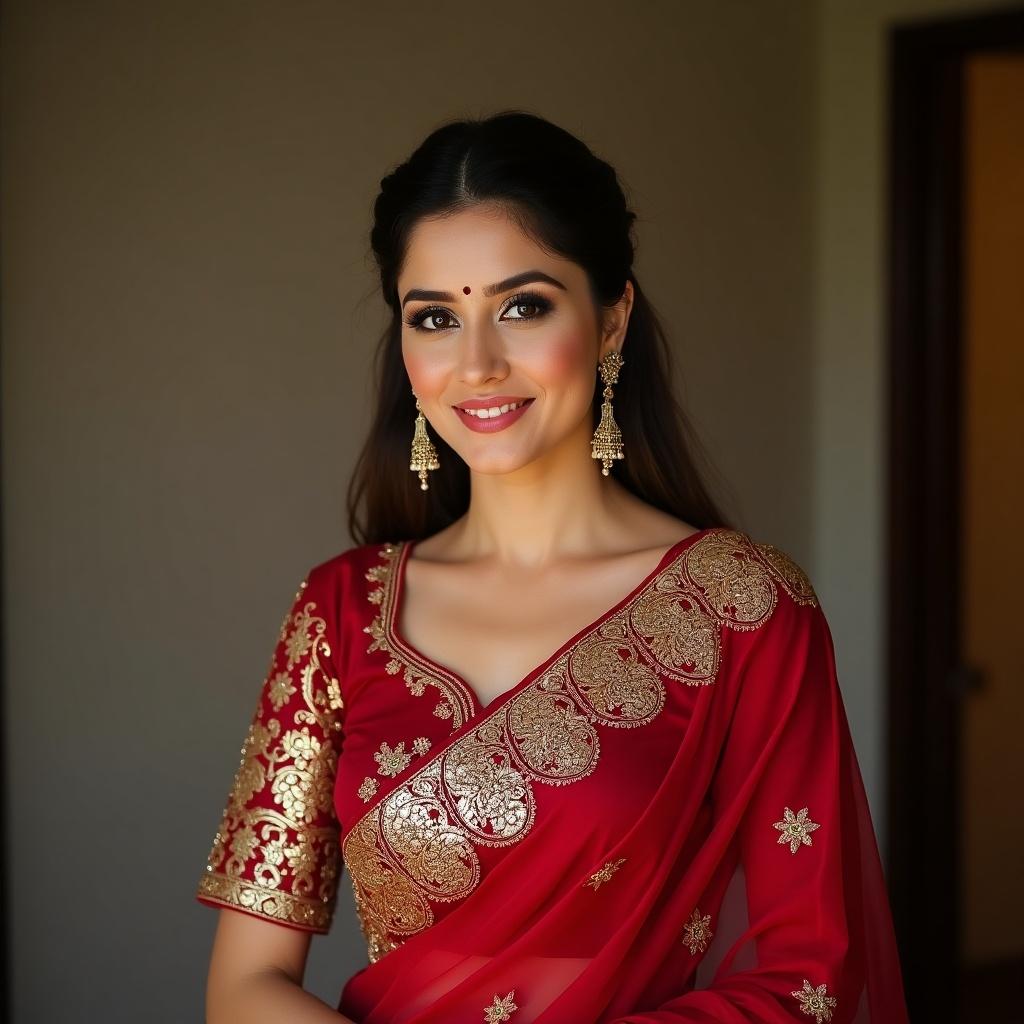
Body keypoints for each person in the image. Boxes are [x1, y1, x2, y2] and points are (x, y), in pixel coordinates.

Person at [195, 110, 910, 1024]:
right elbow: (244, 989)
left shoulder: (744, 606)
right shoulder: (341, 610)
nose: (478, 363)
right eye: (435, 319)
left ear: (612, 320)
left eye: (523, 307)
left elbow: (813, 980)